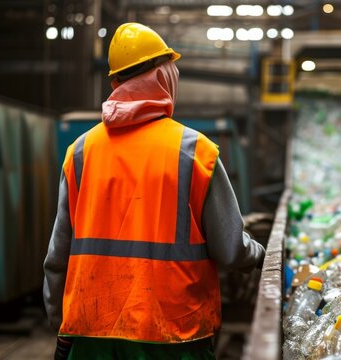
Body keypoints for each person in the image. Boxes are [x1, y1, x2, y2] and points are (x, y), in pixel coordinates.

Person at [43, 22, 265, 359]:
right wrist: (264, 255)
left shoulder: (80, 151)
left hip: (90, 336)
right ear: (164, 78)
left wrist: (61, 323)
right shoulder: (194, 152)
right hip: (173, 337)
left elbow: (58, 257)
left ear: (116, 82)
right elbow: (232, 250)